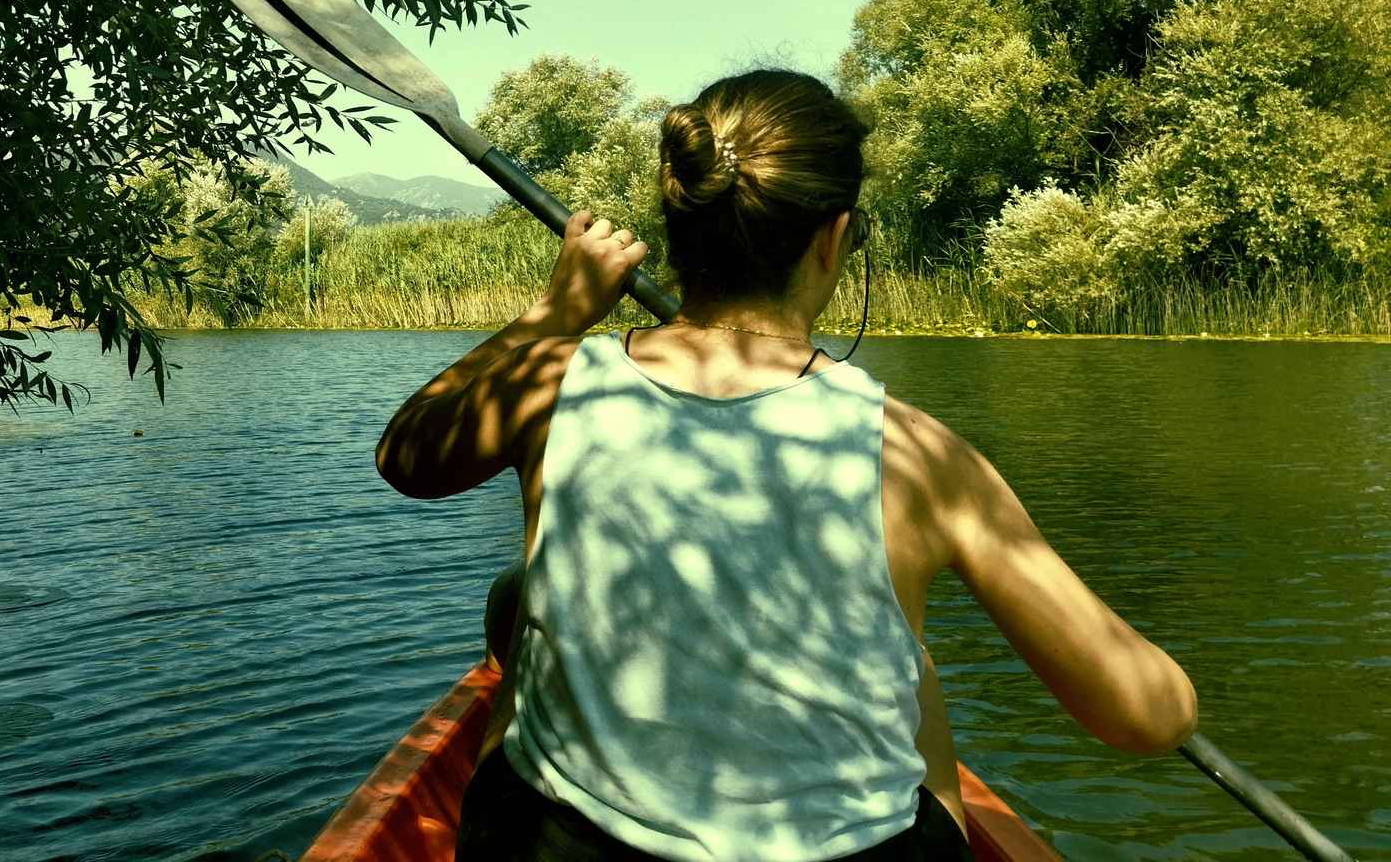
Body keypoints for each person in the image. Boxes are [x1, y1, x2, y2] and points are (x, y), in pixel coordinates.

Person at [375, 70, 1197, 862]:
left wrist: (557, 312)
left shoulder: (548, 382)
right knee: (910, 657)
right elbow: (1149, 715)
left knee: (519, 602)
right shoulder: (918, 454)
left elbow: (406, 455)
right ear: (835, 239)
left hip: (561, 848)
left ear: (680, 224)